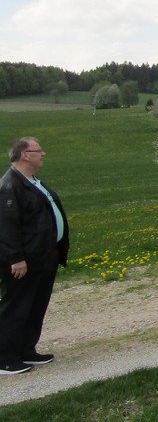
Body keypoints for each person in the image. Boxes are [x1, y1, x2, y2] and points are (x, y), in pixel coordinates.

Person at [0, 138, 70, 376]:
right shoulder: (10, 185)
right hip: (24, 262)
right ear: (24, 155)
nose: (43, 153)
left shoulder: (33, 182)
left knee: (35, 306)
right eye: (38, 150)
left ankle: (27, 350)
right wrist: (15, 258)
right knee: (16, 308)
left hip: (43, 257)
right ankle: (6, 358)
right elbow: (6, 227)